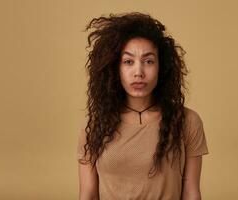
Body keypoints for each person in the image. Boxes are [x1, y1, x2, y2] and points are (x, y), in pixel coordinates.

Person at [76, 12, 209, 200]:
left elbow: (191, 192)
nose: (138, 72)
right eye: (128, 62)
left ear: (161, 67)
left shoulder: (187, 122)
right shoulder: (94, 128)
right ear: (115, 68)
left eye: (148, 61)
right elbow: (88, 194)